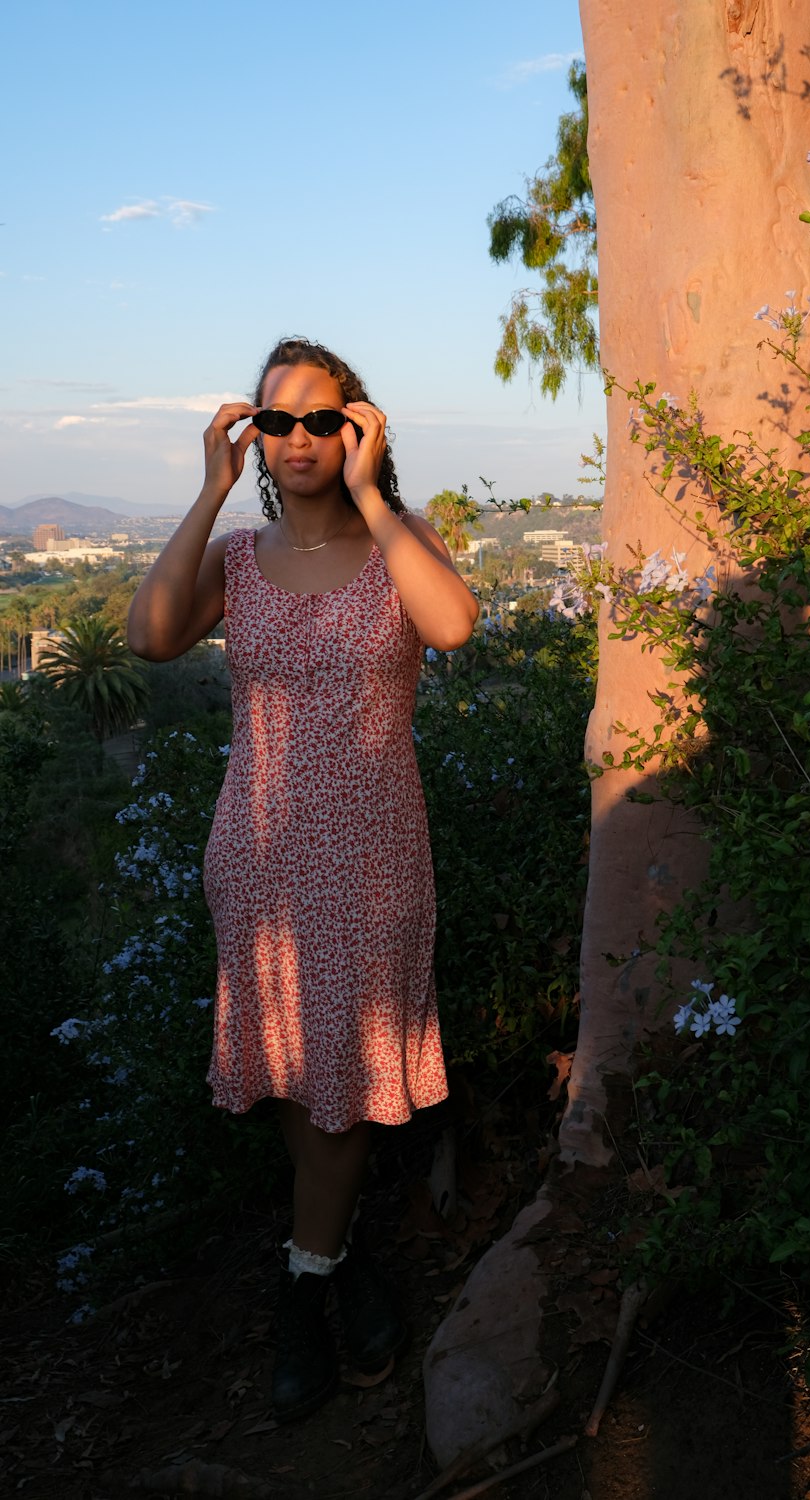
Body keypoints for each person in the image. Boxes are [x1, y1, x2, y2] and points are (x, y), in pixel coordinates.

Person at [127, 336, 479, 1422]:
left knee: (344, 1075)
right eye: (273, 422)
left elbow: (454, 626)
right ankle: (340, 1258)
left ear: (358, 428)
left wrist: (375, 500)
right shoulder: (235, 560)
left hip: (373, 857)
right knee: (295, 1071)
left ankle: (300, 1291)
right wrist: (207, 491)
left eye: (320, 421)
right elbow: (147, 638)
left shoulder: (399, 541)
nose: (296, 440)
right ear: (253, 438)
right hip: (261, 854)